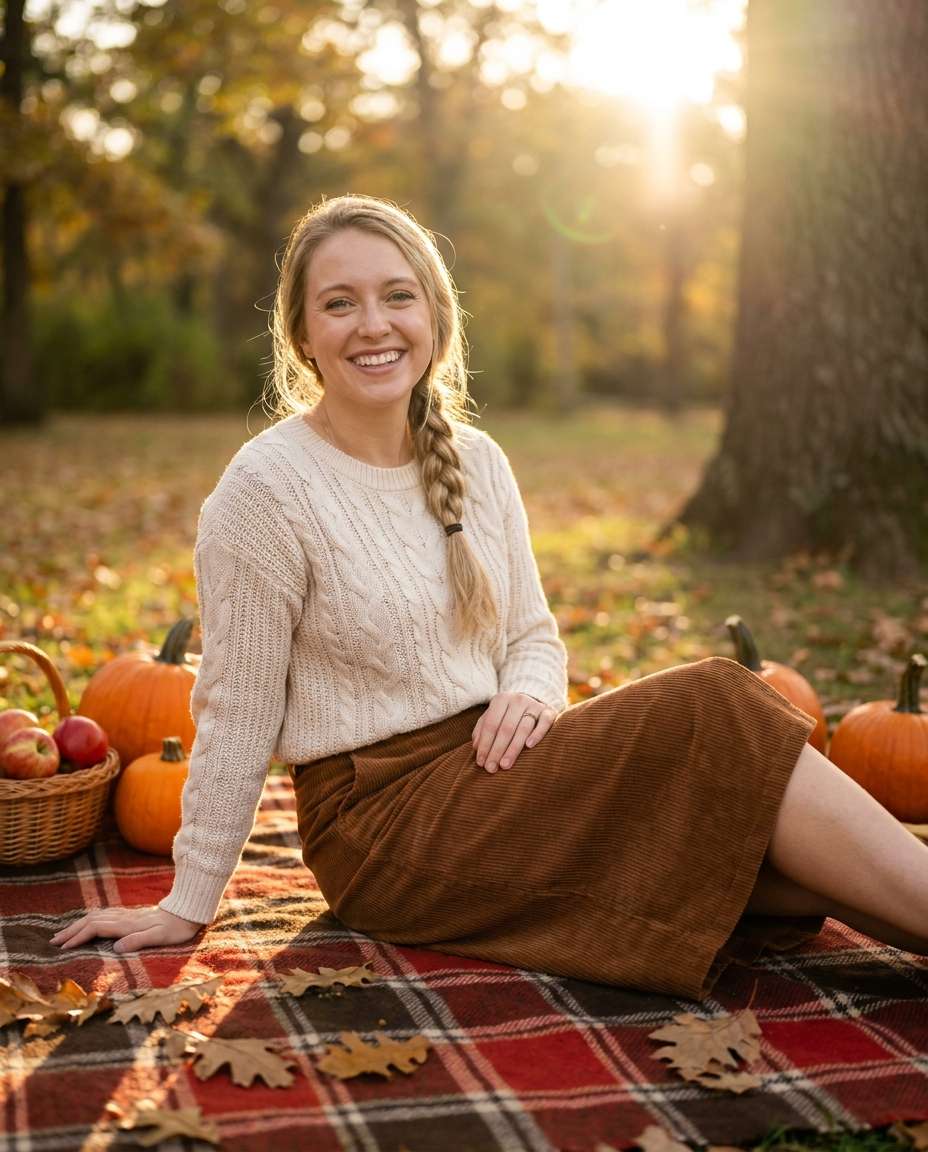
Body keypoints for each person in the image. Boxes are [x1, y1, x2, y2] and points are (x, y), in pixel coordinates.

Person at [51, 194, 928, 998]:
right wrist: (189, 900)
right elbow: (236, 706)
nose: (374, 324)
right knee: (719, 702)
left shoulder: (477, 462)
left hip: (501, 771)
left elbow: (535, 638)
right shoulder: (266, 491)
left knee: (750, 843)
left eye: (398, 295)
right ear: (302, 336)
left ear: (433, 315)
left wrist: (531, 691)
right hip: (383, 828)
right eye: (340, 302)